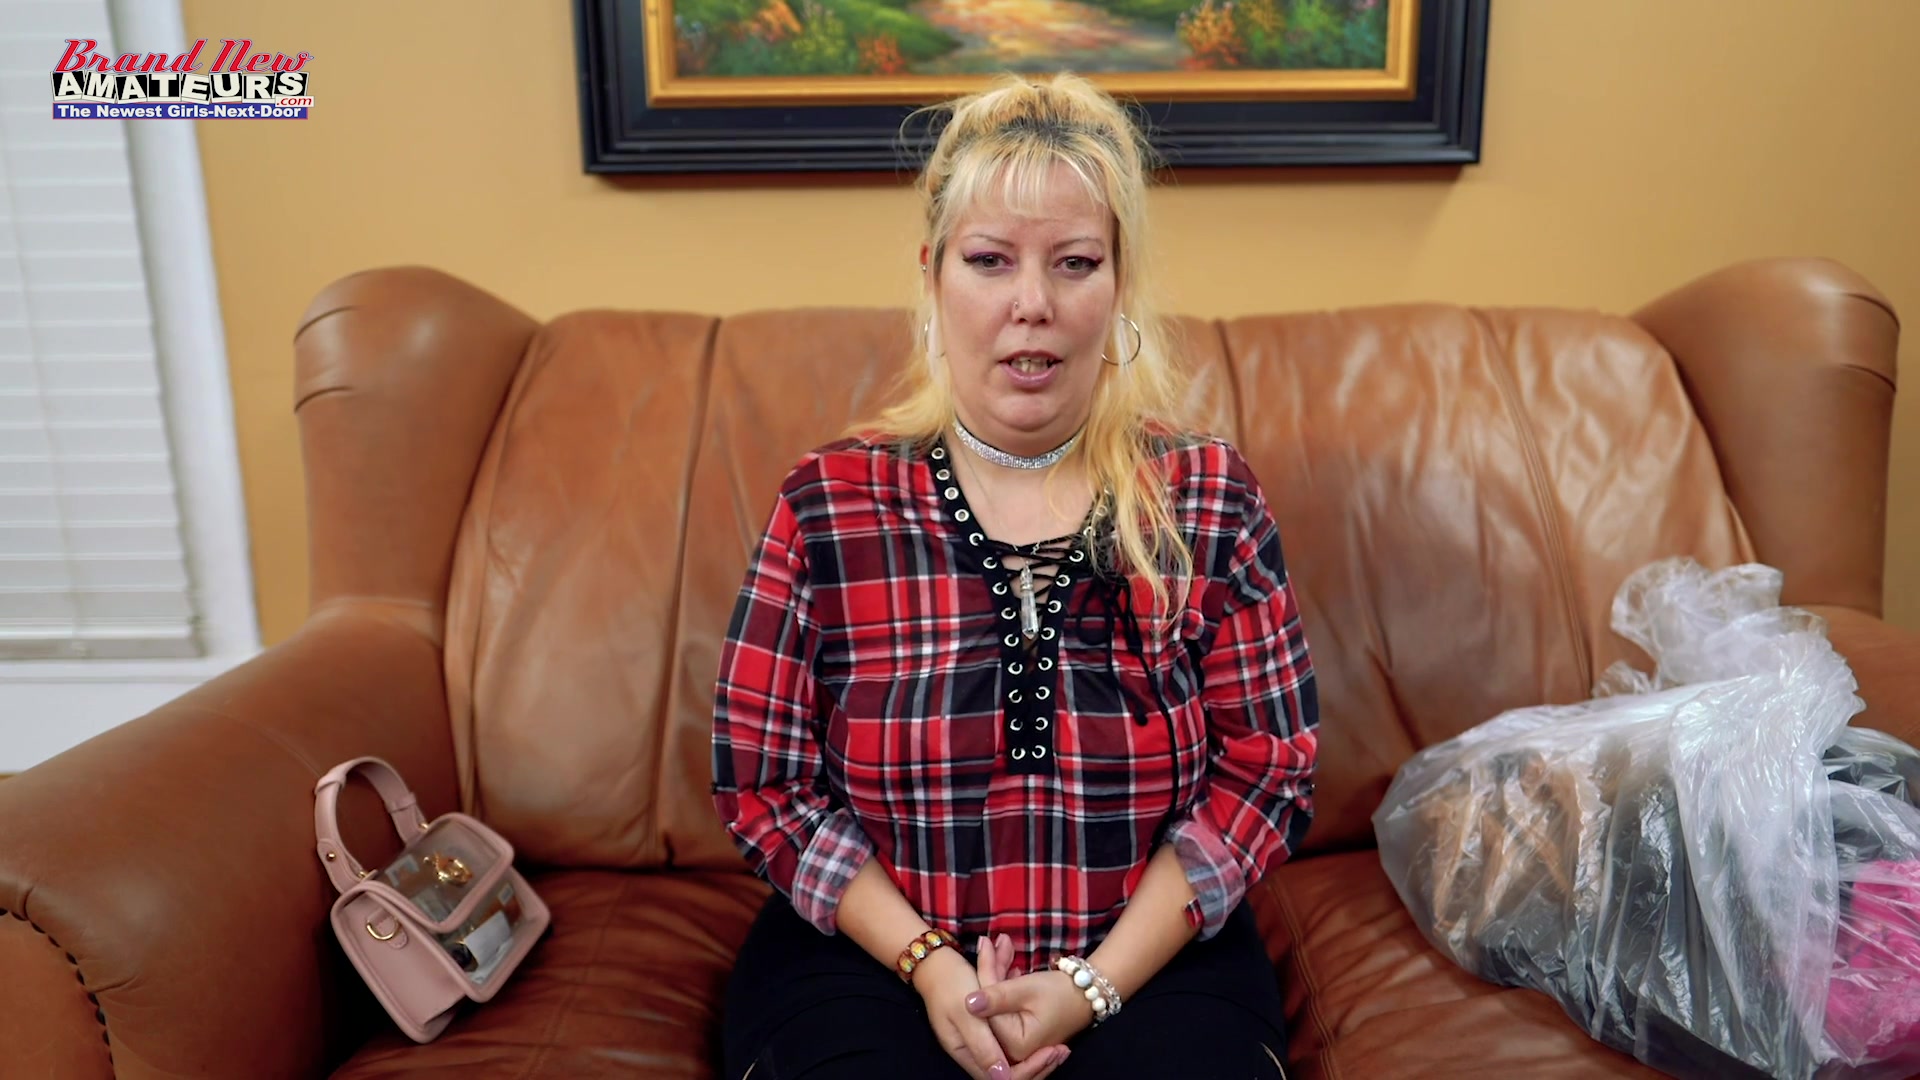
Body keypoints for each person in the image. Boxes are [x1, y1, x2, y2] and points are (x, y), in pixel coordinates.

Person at [711, 71, 1318, 1080]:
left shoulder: (1208, 499)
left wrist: (1093, 986)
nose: (1031, 305)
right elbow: (764, 786)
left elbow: (1267, 774)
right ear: (933, 276)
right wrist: (931, 967)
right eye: (989, 260)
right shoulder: (829, 505)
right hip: (871, 958)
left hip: (1151, 959)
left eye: (1075, 263)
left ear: (1119, 282)